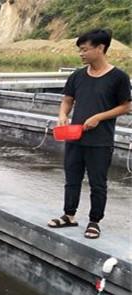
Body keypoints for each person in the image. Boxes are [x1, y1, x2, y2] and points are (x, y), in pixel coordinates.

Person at [47, 29, 131, 239]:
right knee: (72, 178)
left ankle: (94, 221)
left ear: (100, 48)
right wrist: (62, 115)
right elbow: (67, 100)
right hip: (75, 136)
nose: (81, 54)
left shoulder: (118, 77)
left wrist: (99, 117)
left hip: (100, 141)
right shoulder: (77, 75)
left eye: (85, 49)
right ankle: (69, 215)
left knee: (97, 182)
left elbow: (126, 106)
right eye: (80, 50)